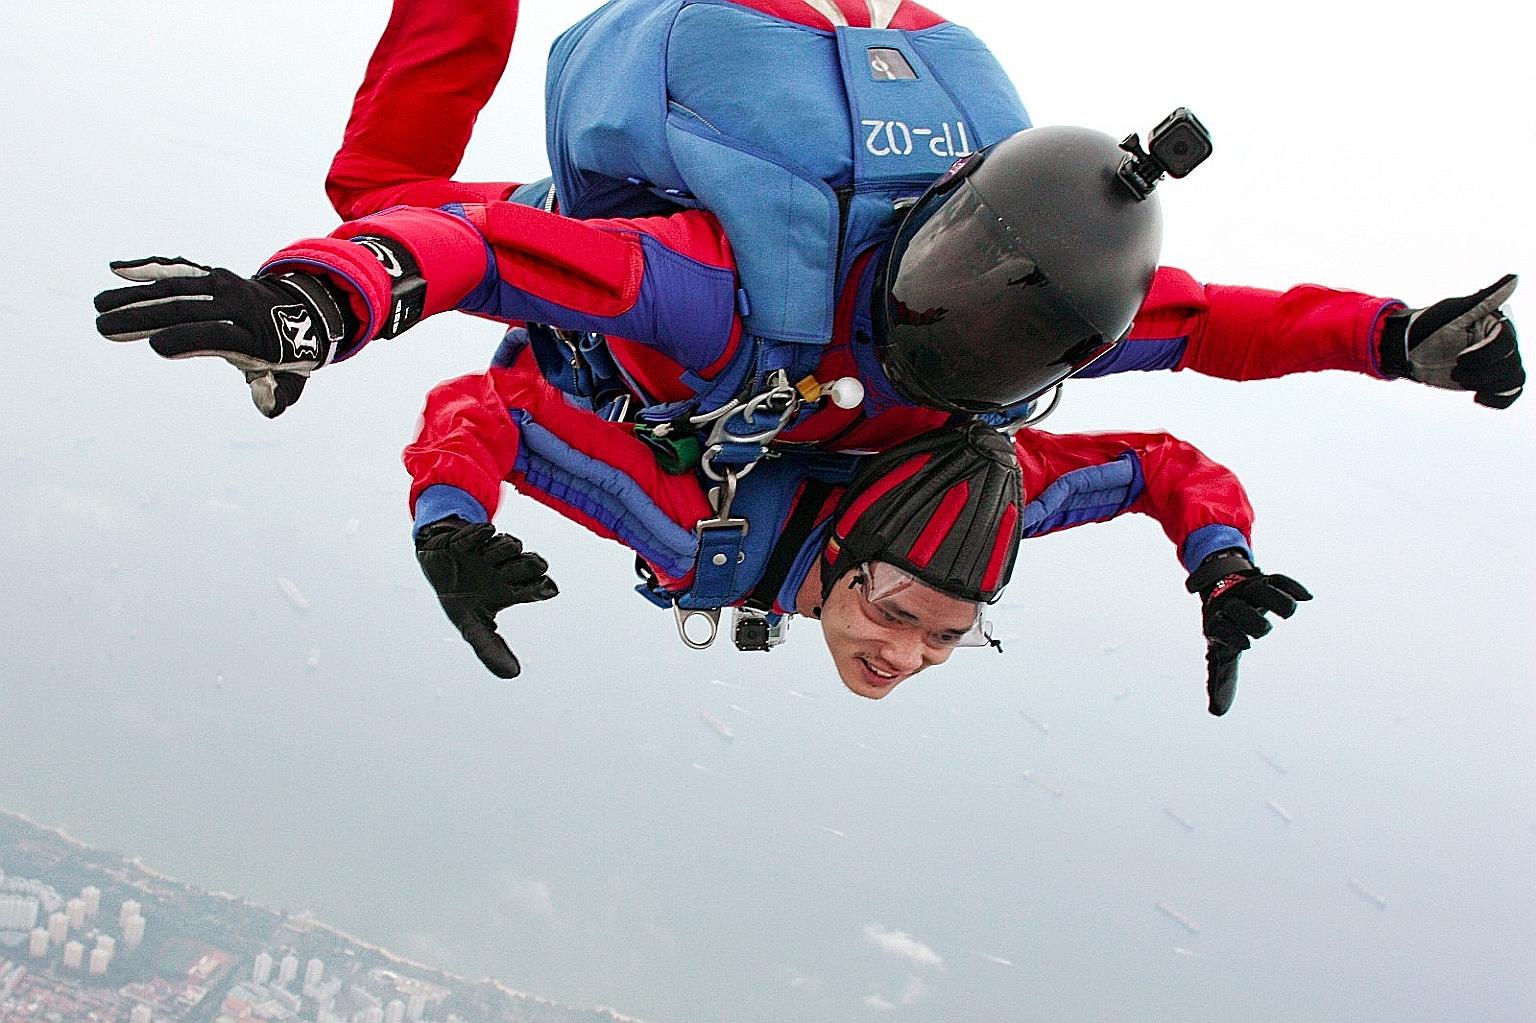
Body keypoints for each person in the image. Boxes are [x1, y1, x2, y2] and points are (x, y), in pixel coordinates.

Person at [94, 0, 1523, 428]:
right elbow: (477, 247)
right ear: (949, 205)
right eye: (956, 290)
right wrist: (322, 303)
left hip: (824, 46)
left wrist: (1401, 339)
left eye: (990, 342)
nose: (952, 335)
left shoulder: (1053, 299)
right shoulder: (720, 281)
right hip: (745, 84)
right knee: (381, 201)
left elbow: (1224, 325)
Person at [404, 344, 1306, 714]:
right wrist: (448, 523)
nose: (905, 654)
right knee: (377, 191)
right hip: (607, 315)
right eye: (900, 613)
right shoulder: (696, 531)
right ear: (843, 555)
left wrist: (1223, 563)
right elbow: (496, 404)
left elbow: (1159, 467)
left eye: (949, 637)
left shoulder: (982, 505)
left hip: (827, 373)